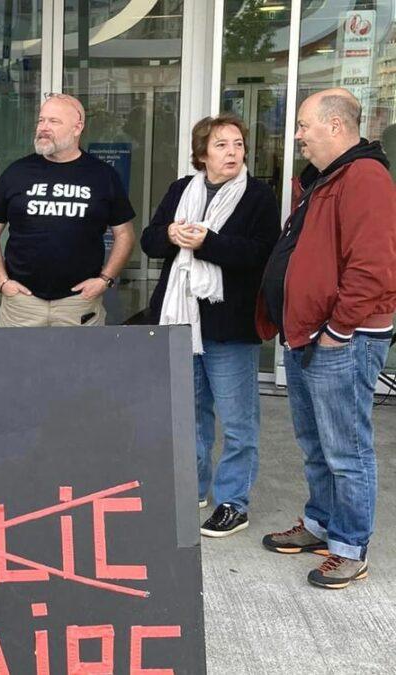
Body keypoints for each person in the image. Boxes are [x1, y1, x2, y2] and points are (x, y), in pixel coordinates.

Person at [257, 89, 396, 589]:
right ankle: (319, 526)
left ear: (334, 127)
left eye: (302, 125)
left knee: (346, 449)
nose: (296, 134)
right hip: (305, 334)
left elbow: (375, 269)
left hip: (341, 339)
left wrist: (338, 330)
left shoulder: (365, 178)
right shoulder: (324, 178)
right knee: (314, 442)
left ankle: (350, 547)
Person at [141, 114, 279, 538]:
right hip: (182, 318)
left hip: (230, 324)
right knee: (190, 415)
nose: (232, 152)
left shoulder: (258, 196)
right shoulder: (181, 190)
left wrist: (208, 242)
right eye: (221, 145)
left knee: (238, 421)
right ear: (202, 154)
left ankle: (233, 502)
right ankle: (194, 488)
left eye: (237, 144)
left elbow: (260, 254)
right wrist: (170, 233)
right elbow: (149, 243)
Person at [0, 94, 135, 327]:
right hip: (22, 303)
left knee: (80, 365)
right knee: (18, 365)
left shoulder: (102, 175)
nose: (43, 128)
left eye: (54, 121)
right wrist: (2, 282)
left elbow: (125, 234)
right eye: (41, 121)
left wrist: (104, 280)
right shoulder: (17, 172)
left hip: (79, 303)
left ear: (77, 127)